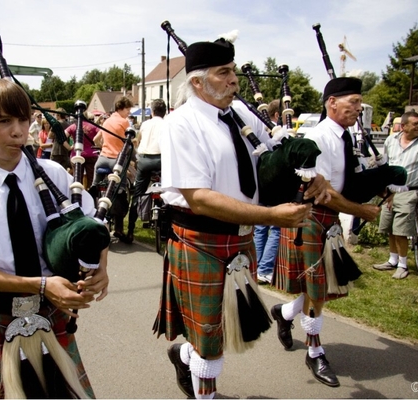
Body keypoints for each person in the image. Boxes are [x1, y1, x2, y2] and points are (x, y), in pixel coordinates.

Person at [153, 33, 327, 399]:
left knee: (219, 326)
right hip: (199, 239)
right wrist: (271, 215)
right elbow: (198, 198)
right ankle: (206, 391)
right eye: (223, 72)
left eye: (233, 71)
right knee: (208, 333)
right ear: (198, 82)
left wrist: (311, 170)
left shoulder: (240, 113)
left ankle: (184, 358)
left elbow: (278, 150)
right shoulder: (180, 123)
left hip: (240, 238)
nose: (233, 79)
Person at [0, 79, 109, 398]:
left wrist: (101, 267)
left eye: (23, 119)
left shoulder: (53, 174)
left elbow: (91, 228)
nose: (19, 131)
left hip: (51, 314)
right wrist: (42, 285)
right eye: (5, 121)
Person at [271, 77, 382, 388]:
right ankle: (315, 350)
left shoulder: (343, 136)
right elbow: (325, 193)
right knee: (318, 289)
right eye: (354, 102)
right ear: (332, 102)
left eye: (360, 103)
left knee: (320, 287)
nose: (359, 109)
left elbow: (346, 182)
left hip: (328, 220)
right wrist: (362, 212)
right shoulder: (321, 137)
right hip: (314, 216)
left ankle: (284, 312)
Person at [373, 111, 418, 278]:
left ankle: (403, 265)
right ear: (403, 126)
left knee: (401, 229)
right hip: (391, 191)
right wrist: (384, 189)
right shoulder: (391, 140)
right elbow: (386, 165)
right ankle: (392, 259)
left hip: (411, 190)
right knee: (389, 225)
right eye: (415, 124)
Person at [91, 96, 134, 242]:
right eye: (128, 109)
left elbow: (96, 140)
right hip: (116, 161)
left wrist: (104, 145)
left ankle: (91, 212)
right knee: (119, 193)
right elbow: (128, 143)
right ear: (121, 108)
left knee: (94, 188)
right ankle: (119, 229)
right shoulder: (124, 122)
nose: (129, 112)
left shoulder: (107, 120)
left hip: (102, 159)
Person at [126, 99, 166, 242]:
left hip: (144, 160)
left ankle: (130, 231)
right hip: (161, 160)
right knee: (167, 192)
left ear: (152, 112)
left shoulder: (145, 124)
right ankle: (164, 228)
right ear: (165, 112)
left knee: (138, 194)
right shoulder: (167, 124)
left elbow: (138, 140)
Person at [253, 99, 281, 284]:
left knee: (260, 227)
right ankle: (264, 269)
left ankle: (256, 268)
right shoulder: (277, 131)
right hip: (274, 183)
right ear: (277, 115)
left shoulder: (258, 126)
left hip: (260, 183)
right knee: (276, 228)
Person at [64, 111, 99, 188]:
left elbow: (62, 136)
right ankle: (91, 195)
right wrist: (98, 145)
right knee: (91, 179)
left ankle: (77, 196)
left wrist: (69, 147)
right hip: (91, 154)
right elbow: (102, 135)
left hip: (77, 154)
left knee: (77, 179)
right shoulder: (93, 126)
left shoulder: (73, 126)